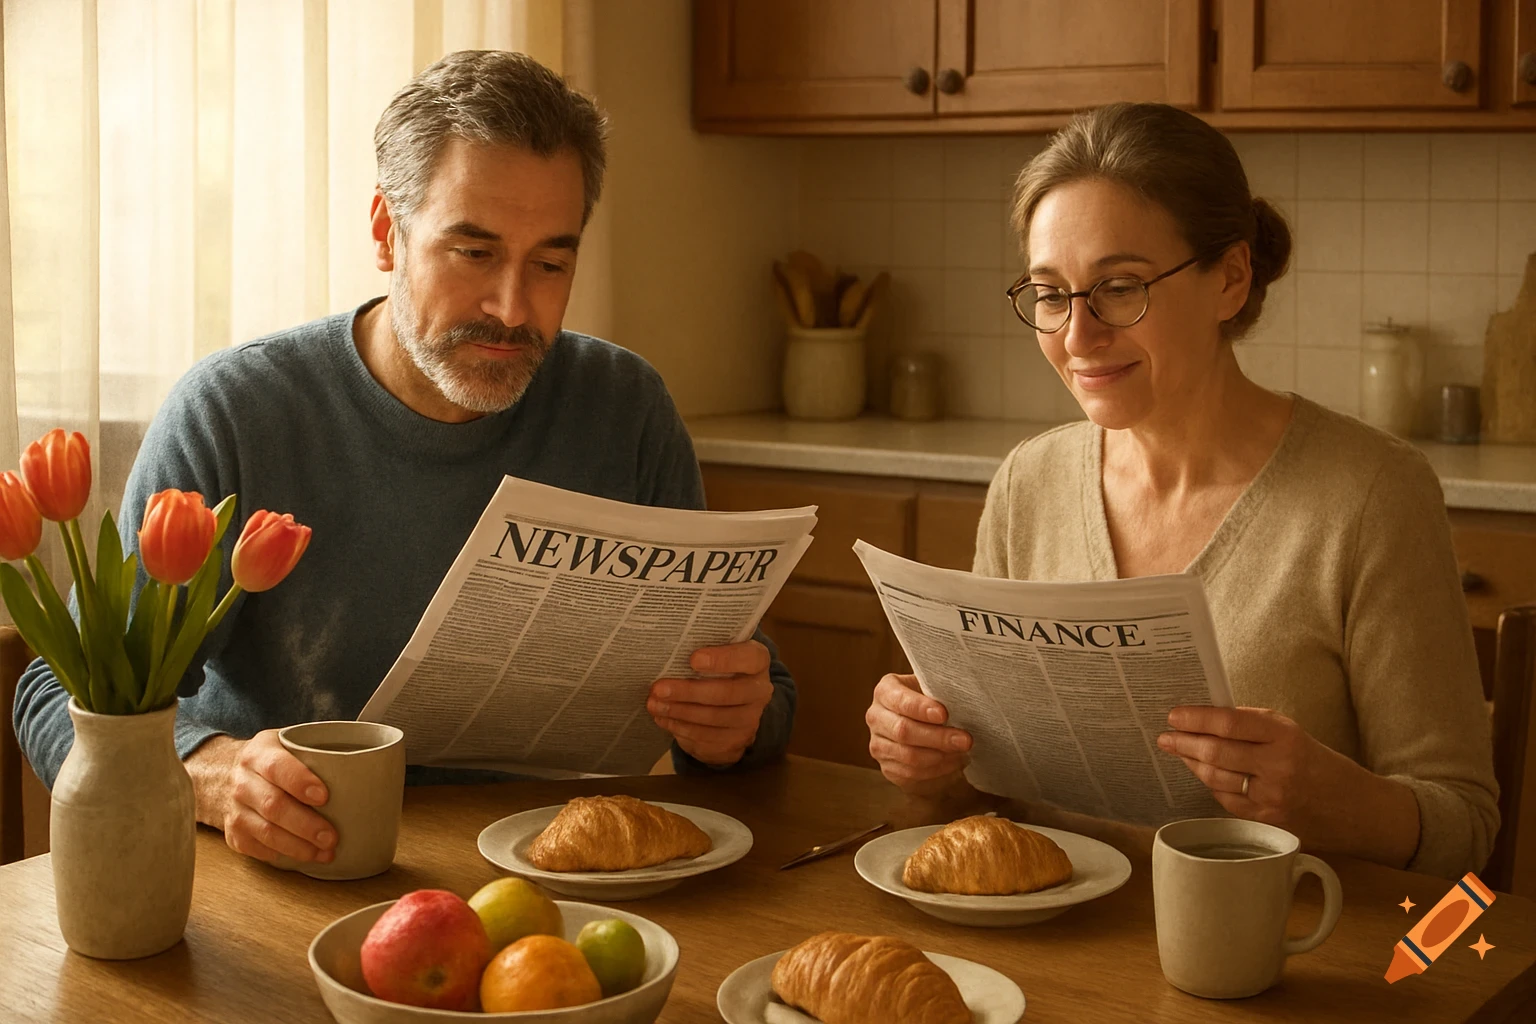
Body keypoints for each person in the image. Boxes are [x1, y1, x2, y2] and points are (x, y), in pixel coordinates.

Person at [14, 51, 795, 869]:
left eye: (551, 264)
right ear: (388, 233)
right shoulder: (237, 411)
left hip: (564, 882)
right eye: (474, 253)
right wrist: (207, 770)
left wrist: (736, 721)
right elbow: (52, 697)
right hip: (302, 876)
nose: (511, 307)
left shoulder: (625, 409)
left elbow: (765, 700)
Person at [864, 102, 1498, 878]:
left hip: (1274, 960)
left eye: (1120, 287)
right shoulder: (1029, 482)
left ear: (1230, 278)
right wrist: (931, 762)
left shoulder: (1370, 495)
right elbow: (989, 808)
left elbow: (1465, 828)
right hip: (1041, 944)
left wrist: (1338, 800)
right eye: (1051, 293)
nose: (1076, 335)